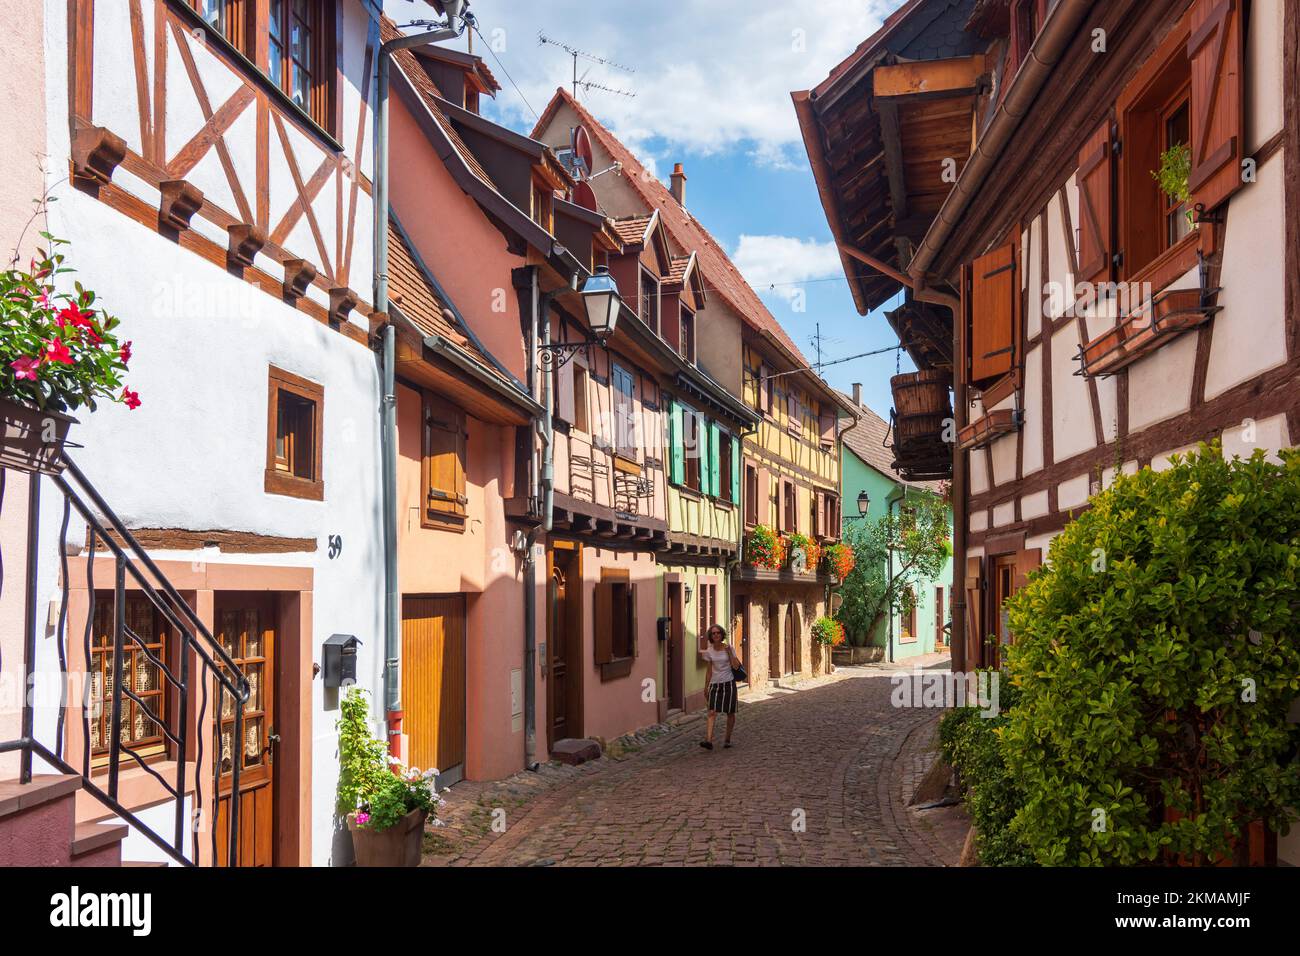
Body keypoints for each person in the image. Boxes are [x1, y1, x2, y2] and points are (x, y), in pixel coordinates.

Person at [699, 624, 741, 750]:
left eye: (718, 633)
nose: (716, 635)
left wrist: (729, 652)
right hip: (715, 684)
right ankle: (708, 740)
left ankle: (727, 739)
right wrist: (706, 686)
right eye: (713, 633)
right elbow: (709, 670)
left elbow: (735, 666)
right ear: (711, 636)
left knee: (730, 712)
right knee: (712, 711)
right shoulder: (709, 651)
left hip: (729, 683)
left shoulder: (729, 648)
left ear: (722, 634)